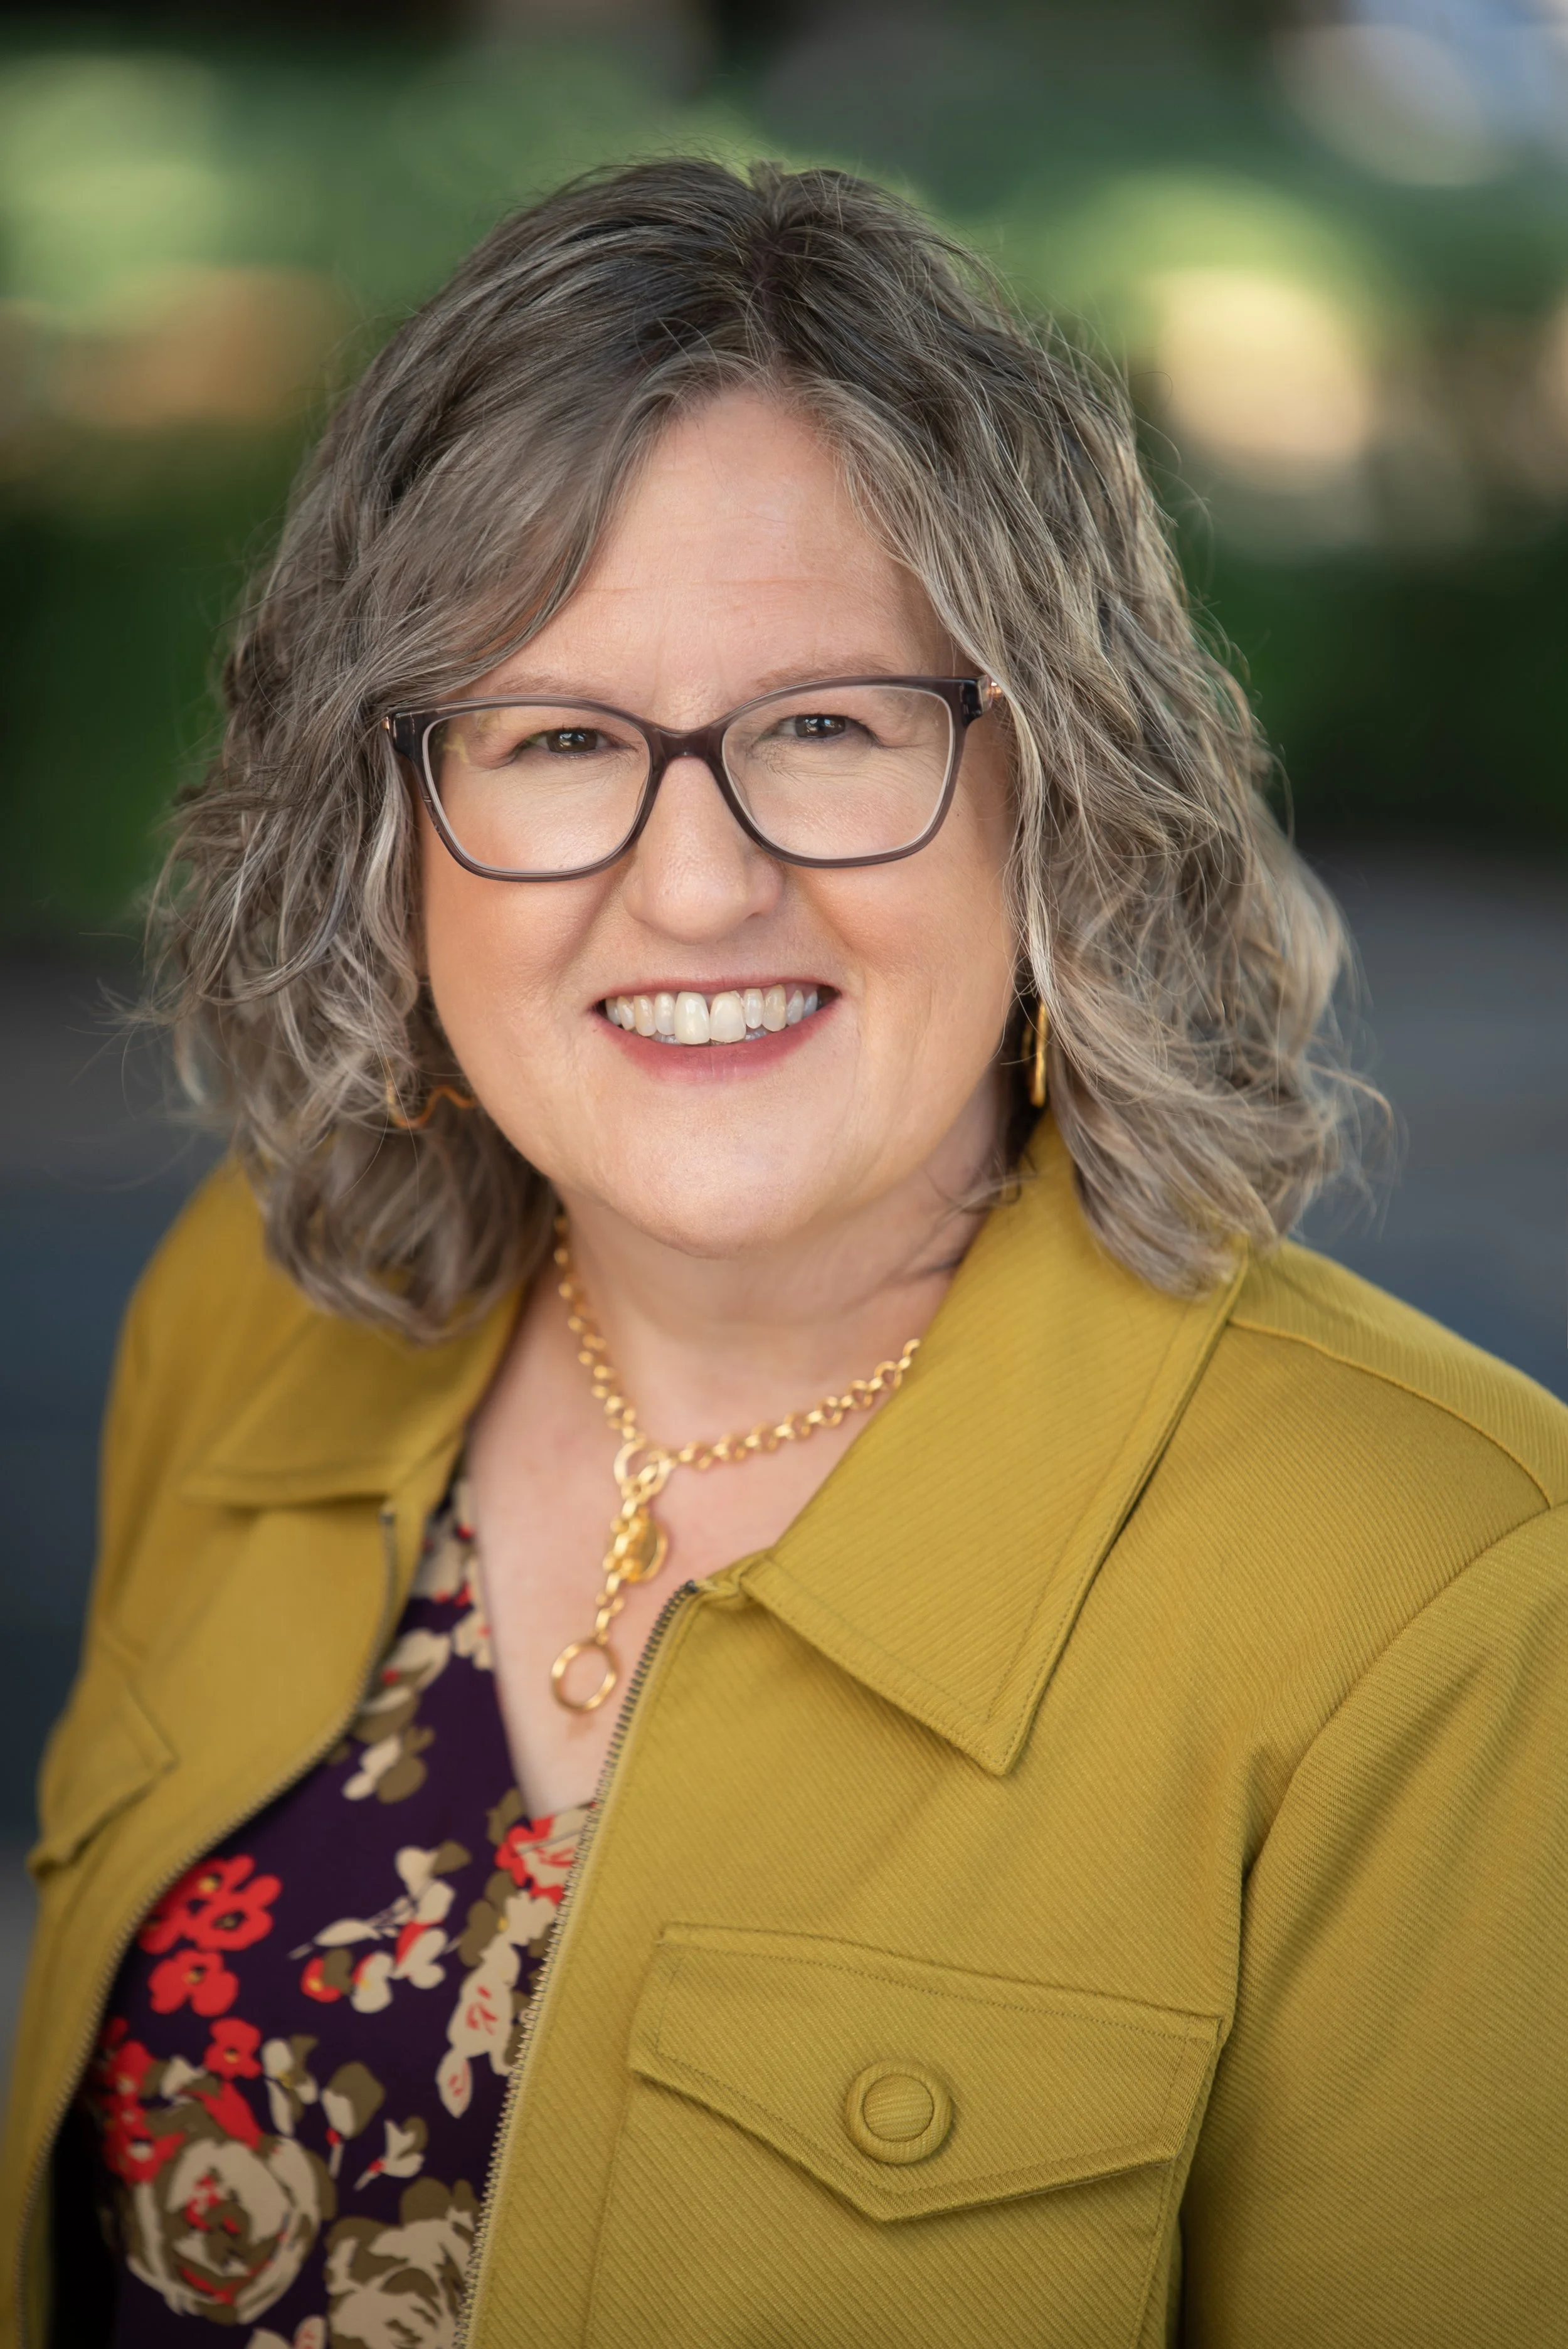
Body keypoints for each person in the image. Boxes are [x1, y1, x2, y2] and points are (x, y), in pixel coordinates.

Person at [3, 157, 1564, 2349]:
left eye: (826, 727)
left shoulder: (1444, 1591)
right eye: (553, 741)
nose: (700, 884)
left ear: (1062, 788)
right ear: (386, 823)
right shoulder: (247, 1312)